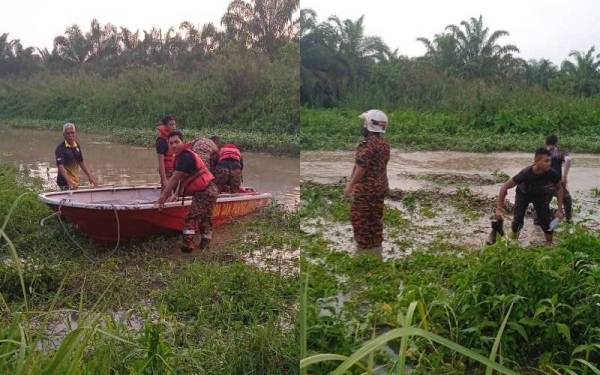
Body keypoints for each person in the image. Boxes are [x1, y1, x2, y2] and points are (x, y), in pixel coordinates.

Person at [158, 131, 219, 253]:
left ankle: (188, 245)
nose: (174, 145)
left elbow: (175, 179)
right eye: (171, 143)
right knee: (205, 218)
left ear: (183, 142)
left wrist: (162, 198)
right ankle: (205, 245)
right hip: (210, 190)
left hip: (205, 191)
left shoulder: (186, 157)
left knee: (191, 217)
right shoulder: (182, 156)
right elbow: (184, 180)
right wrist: (176, 195)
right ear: (168, 145)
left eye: (177, 142)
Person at [343, 109, 390, 253]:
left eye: (364, 122)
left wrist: (350, 186)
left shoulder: (367, 145)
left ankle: (363, 250)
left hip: (366, 189)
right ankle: (376, 248)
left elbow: (361, 169)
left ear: (370, 125)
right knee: (375, 219)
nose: (362, 125)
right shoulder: (385, 144)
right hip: (381, 187)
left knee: (360, 219)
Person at [496, 147, 564, 245]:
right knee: (517, 221)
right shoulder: (525, 173)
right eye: (546, 161)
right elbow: (505, 186)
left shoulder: (551, 173)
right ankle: (513, 242)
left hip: (540, 195)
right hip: (523, 195)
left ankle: (549, 243)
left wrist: (560, 209)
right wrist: (499, 208)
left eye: (550, 161)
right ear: (536, 161)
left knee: (546, 221)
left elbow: (559, 188)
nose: (549, 163)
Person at [55, 123, 97, 190]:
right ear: (64, 135)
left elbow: (81, 162)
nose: (70, 135)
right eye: (68, 133)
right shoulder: (60, 149)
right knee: (69, 199)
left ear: (75, 134)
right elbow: (60, 166)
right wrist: (69, 181)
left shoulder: (76, 145)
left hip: (74, 180)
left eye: (72, 133)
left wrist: (89, 176)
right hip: (64, 182)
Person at [545, 135, 573, 221]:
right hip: (558, 183)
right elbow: (568, 160)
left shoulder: (543, 152)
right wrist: (564, 177)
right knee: (567, 200)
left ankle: (538, 222)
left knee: (542, 203)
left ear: (546, 143)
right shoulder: (561, 152)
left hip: (545, 183)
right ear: (556, 143)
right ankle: (568, 220)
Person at [156, 115, 177, 188]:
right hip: (167, 170)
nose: (174, 127)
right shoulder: (161, 142)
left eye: (174, 124)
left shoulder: (173, 137)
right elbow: (161, 164)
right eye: (171, 124)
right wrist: (164, 180)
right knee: (166, 190)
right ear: (165, 126)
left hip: (174, 169)